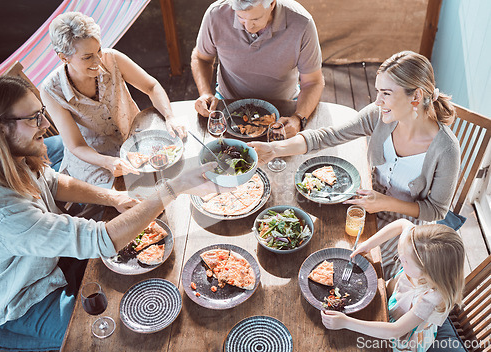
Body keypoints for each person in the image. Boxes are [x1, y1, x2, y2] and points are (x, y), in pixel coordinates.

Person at [0, 75, 227, 350]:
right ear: (0, 129)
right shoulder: (4, 214)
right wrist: (173, 188)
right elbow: (101, 241)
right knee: (118, 336)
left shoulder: (16, 159)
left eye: (42, 113)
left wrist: (114, 196)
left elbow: (55, 182)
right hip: (24, 300)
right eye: (33, 118)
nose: (46, 125)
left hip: (52, 261)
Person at [249, 51, 460, 279]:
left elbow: (436, 211)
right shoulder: (379, 116)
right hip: (366, 200)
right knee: (311, 244)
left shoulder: (446, 150)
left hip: (404, 224)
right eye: (378, 91)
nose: (378, 101)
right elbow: (326, 136)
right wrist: (274, 149)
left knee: (353, 268)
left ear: (416, 97)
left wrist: (384, 203)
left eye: (386, 94)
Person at [40, 12, 186, 187]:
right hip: (93, 157)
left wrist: (170, 117)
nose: (98, 60)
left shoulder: (113, 58)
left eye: (99, 50)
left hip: (134, 138)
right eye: (87, 57)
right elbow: (77, 146)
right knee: (127, 200)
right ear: (64, 57)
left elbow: (151, 87)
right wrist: (107, 162)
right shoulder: (51, 90)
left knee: (177, 169)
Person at [321, 219, 466, 352]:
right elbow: (402, 223)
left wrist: (346, 322)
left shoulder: (431, 299)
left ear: (428, 273)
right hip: (392, 299)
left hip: (403, 334)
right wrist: (369, 244)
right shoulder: (418, 243)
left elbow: (395, 331)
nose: (400, 258)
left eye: (406, 261)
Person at [191, 0, 324, 137]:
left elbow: (313, 82)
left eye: (255, 18)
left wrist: (298, 118)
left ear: (272, 4)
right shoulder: (215, 14)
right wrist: (205, 93)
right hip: (228, 103)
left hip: (284, 108)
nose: (248, 27)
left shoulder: (302, 23)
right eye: (241, 17)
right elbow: (201, 58)